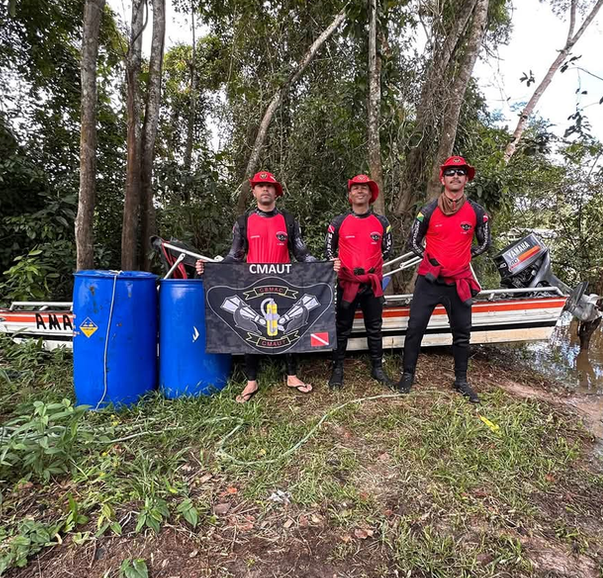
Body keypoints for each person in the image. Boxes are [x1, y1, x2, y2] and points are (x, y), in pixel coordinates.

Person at [196, 170, 316, 403]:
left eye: (269, 186)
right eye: (260, 186)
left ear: (276, 192)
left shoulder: (288, 221)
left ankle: (291, 375)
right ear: (253, 192)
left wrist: (325, 265)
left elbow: (302, 254)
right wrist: (212, 266)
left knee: (289, 327)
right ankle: (252, 380)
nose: (265, 189)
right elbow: (234, 256)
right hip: (253, 285)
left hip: (284, 284)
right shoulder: (243, 222)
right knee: (250, 329)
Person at [396, 155, 491, 402]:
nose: (455, 176)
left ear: (466, 179)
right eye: (450, 172)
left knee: (462, 333)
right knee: (415, 328)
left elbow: (485, 243)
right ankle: (407, 375)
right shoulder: (427, 210)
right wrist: (431, 258)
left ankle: (461, 380)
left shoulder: (477, 212)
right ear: (442, 178)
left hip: (459, 282)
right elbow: (413, 242)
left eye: (460, 172)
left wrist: (466, 255)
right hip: (429, 280)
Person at [325, 174, 394, 389]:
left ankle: (377, 368)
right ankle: (337, 370)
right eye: (356, 188)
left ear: (371, 194)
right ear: (350, 195)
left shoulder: (382, 222)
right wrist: (335, 262)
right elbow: (328, 249)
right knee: (342, 326)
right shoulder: (338, 222)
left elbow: (388, 249)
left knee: (374, 327)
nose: (360, 191)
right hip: (347, 283)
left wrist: (369, 266)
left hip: (372, 283)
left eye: (364, 188)